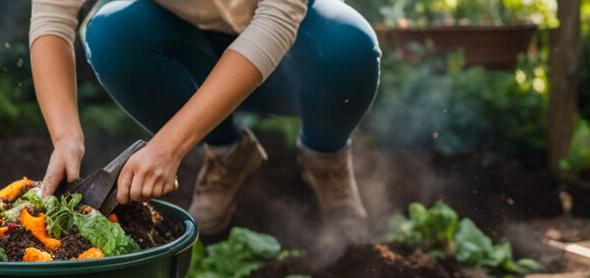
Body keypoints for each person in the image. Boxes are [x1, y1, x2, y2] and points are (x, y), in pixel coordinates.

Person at [29, 0, 381, 239]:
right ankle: (227, 153)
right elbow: (52, 19)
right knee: (112, 33)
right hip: (187, 45)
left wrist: (168, 146)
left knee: (349, 48)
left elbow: (277, 19)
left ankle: (327, 158)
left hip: (293, 50)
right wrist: (65, 138)